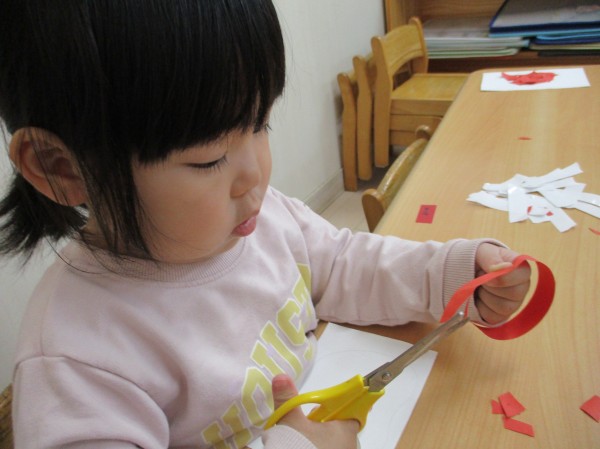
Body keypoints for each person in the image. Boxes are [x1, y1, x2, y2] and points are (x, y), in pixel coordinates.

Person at [0, 1, 531, 448]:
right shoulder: (75, 362)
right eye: (209, 159)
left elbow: (345, 264)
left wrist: (449, 275)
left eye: (260, 124)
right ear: (62, 168)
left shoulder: (265, 219)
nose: (255, 173)